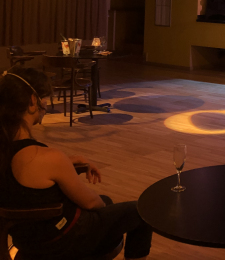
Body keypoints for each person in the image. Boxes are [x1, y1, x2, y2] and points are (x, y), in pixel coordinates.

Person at [0, 68, 153, 260]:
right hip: (66, 242)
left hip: (29, 243)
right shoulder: (45, 157)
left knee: (108, 201)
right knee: (143, 212)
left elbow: (28, 178)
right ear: (32, 101)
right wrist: (104, 209)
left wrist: (68, 161)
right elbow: (91, 202)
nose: (45, 104)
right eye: (44, 98)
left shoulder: (9, 151)